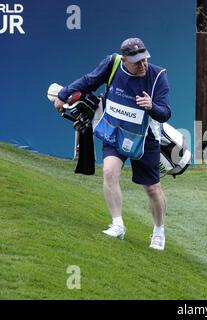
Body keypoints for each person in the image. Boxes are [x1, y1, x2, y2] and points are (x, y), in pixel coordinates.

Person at [54, 38, 171, 250]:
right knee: (109, 172)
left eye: (144, 59)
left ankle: (159, 231)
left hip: (146, 137)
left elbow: (165, 113)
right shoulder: (112, 64)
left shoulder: (158, 76)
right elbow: (88, 81)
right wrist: (63, 95)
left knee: (152, 188)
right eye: (136, 61)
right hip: (114, 130)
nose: (142, 64)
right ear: (124, 59)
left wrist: (151, 106)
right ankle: (117, 224)